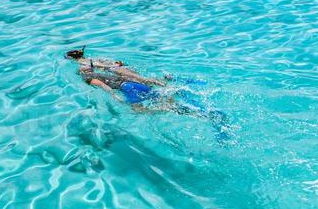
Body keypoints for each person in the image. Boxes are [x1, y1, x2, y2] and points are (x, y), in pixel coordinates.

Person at [66, 48, 234, 141]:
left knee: (140, 110)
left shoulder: (86, 76)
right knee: (164, 96)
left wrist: (115, 97)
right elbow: (121, 69)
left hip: (129, 89)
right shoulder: (98, 64)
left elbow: (103, 86)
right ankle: (205, 113)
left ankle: (196, 114)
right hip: (135, 84)